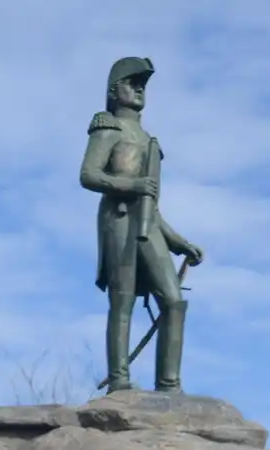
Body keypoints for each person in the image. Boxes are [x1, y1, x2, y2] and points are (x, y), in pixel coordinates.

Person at [79, 56, 205, 393]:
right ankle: (119, 382)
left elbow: (152, 207)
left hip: (148, 226)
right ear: (113, 89)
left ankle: (169, 385)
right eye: (131, 83)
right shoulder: (108, 126)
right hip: (118, 222)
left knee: (174, 300)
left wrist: (179, 243)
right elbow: (88, 175)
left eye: (142, 85)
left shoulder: (149, 139)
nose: (138, 90)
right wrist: (131, 186)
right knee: (123, 303)